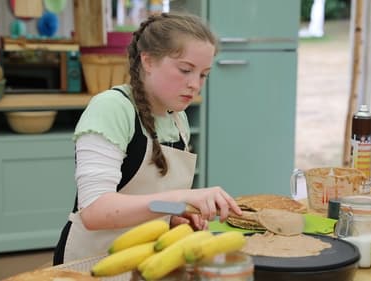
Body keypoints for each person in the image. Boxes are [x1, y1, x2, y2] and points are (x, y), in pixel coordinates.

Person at [53, 12, 242, 265]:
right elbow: (95, 211)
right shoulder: (111, 109)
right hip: (92, 263)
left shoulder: (178, 118)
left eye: (203, 74)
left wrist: (175, 216)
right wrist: (180, 199)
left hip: (149, 259)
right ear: (148, 60)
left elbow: (153, 200)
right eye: (185, 70)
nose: (195, 84)